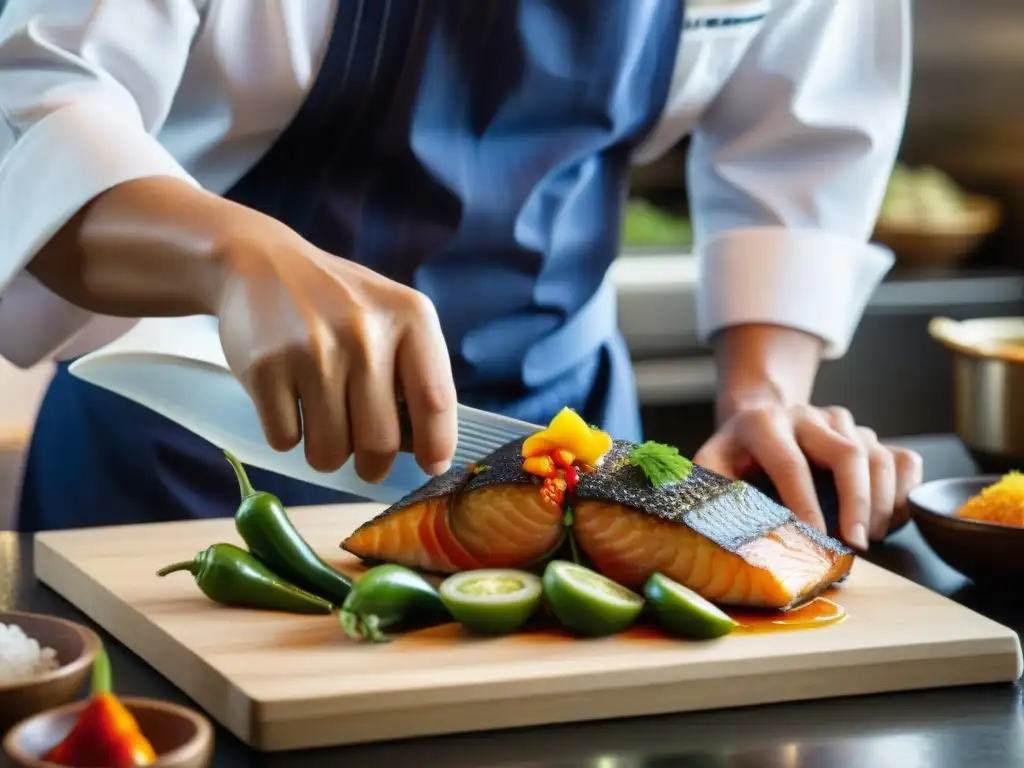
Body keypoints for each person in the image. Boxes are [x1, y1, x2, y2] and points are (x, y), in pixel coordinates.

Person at [0, 0, 921, 549]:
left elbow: (797, 145)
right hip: (188, 462)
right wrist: (233, 255)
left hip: (566, 451)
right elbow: (38, 106)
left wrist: (762, 396)